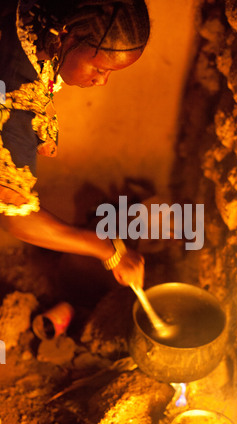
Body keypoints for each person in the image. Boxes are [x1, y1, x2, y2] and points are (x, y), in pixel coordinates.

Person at [0, 0, 151, 287]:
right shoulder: (14, 96)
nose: (102, 81)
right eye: (99, 68)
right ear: (67, 35)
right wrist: (108, 250)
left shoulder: (40, 17)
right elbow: (14, 219)